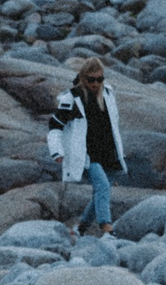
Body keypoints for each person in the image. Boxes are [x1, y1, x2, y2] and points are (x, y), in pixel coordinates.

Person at [47, 57, 129, 236]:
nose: (95, 83)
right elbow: (54, 126)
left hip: (107, 151)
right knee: (103, 187)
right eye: (91, 79)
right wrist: (56, 151)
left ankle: (81, 228)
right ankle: (106, 228)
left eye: (99, 79)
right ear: (83, 78)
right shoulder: (72, 98)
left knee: (100, 191)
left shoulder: (108, 93)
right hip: (86, 154)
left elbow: (113, 123)